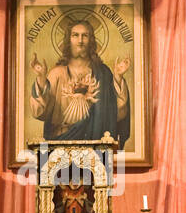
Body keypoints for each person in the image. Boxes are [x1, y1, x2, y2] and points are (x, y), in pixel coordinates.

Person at [29, 18, 130, 146]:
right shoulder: (57, 73)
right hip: (60, 142)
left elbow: (118, 113)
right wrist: (41, 78)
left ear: (91, 41)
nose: (80, 41)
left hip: (96, 144)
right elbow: (39, 112)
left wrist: (118, 77)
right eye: (75, 35)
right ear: (68, 40)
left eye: (85, 36)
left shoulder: (102, 73)